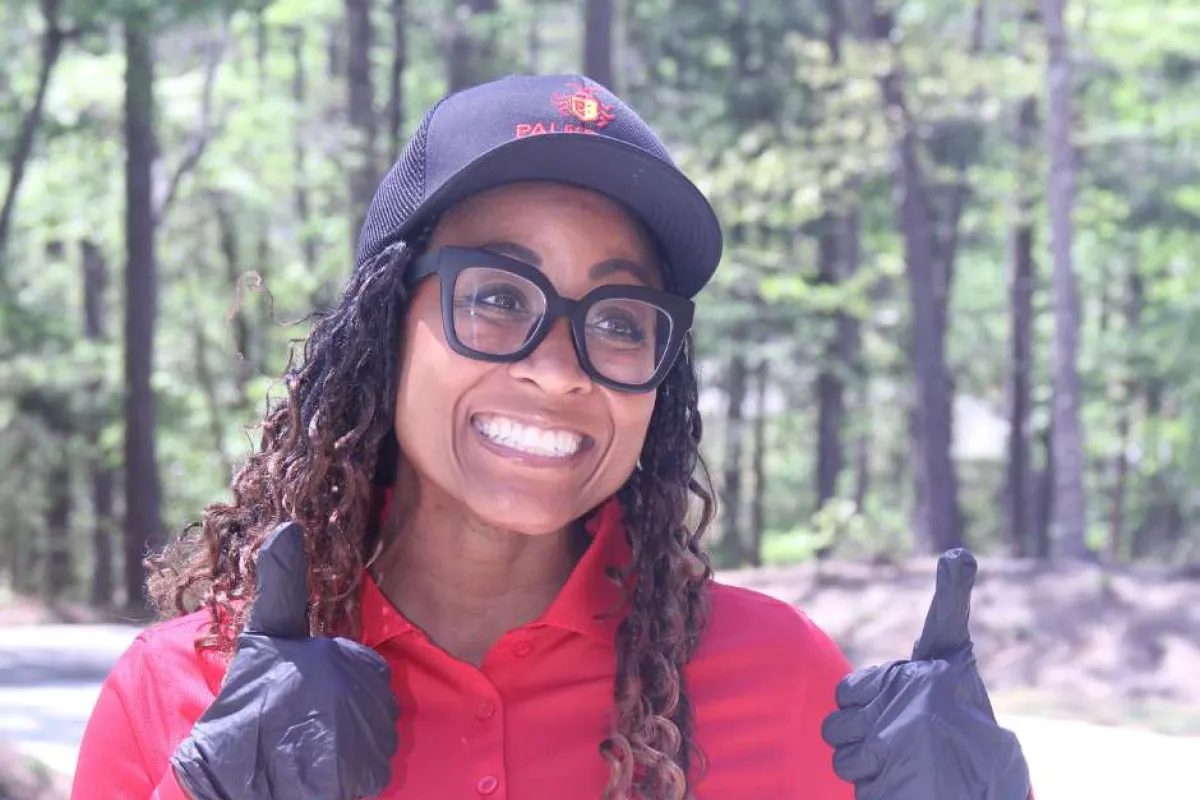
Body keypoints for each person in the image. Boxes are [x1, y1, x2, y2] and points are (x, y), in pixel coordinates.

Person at [71, 74, 1031, 800]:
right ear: (384, 327)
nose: (562, 370)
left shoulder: (783, 680)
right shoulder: (186, 688)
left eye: (618, 319)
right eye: (497, 297)